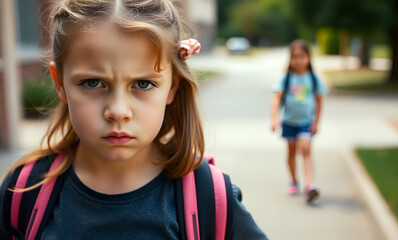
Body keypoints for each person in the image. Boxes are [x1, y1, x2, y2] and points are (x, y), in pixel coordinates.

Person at [0, 0, 267, 239]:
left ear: (172, 87)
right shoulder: (22, 192)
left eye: (143, 83)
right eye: (93, 83)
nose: (118, 111)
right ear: (60, 83)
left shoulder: (211, 198)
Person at [270, 39, 328, 203]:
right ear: (290, 59)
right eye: (295, 57)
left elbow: (319, 101)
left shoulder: (313, 78)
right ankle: (294, 179)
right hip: (289, 121)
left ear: (308, 58)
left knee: (306, 150)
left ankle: (310, 184)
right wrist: (274, 119)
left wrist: (316, 122)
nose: (298, 60)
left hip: (306, 122)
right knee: (291, 153)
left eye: (302, 56)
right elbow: (276, 98)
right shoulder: (286, 77)